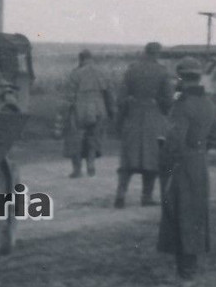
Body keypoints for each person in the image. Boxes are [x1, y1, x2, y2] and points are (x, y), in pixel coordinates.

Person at [157, 58, 216, 285]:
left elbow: (174, 141)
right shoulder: (210, 104)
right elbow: (213, 138)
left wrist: (165, 161)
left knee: (179, 213)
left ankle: (186, 272)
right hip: (199, 165)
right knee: (194, 214)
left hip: (180, 165)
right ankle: (189, 270)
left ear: (181, 78)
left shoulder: (182, 105)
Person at [114, 42, 174, 208]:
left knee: (127, 160)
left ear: (145, 52)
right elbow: (168, 101)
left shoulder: (131, 70)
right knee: (152, 159)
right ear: (158, 54)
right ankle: (146, 197)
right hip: (154, 119)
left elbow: (120, 100)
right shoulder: (162, 72)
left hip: (132, 118)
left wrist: (129, 105)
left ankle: (120, 194)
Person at [58, 49, 115, 177]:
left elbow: (69, 97)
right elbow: (109, 94)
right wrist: (112, 111)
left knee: (75, 140)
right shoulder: (102, 73)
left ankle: (77, 170)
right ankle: (90, 165)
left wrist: (64, 113)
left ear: (81, 59)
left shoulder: (76, 73)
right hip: (99, 109)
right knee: (93, 139)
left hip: (80, 108)